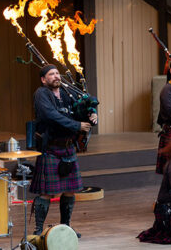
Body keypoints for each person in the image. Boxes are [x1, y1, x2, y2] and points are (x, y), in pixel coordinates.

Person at [30, 64, 98, 237]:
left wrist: (92, 113)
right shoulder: (41, 94)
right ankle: (38, 229)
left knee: (69, 190)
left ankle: (66, 227)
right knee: (46, 192)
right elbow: (50, 115)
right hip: (51, 148)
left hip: (69, 148)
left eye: (57, 73)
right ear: (43, 79)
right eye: (51, 74)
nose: (56, 76)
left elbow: (83, 105)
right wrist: (76, 125)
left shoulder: (68, 93)